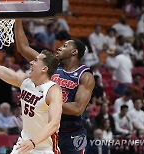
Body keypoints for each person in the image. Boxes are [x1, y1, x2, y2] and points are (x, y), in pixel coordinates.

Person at [15, 20, 95, 154]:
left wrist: (44, 101)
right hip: (49, 129)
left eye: (64, 46)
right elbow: (23, 47)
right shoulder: (51, 66)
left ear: (74, 52)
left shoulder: (85, 75)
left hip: (73, 133)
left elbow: (77, 108)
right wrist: (18, 20)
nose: (59, 47)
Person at [0, 42, 62, 154]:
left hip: (44, 149)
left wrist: (33, 142)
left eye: (35, 61)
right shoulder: (25, 81)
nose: (31, 62)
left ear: (44, 68)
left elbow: (54, 124)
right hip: (24, 143)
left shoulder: (53, 90)